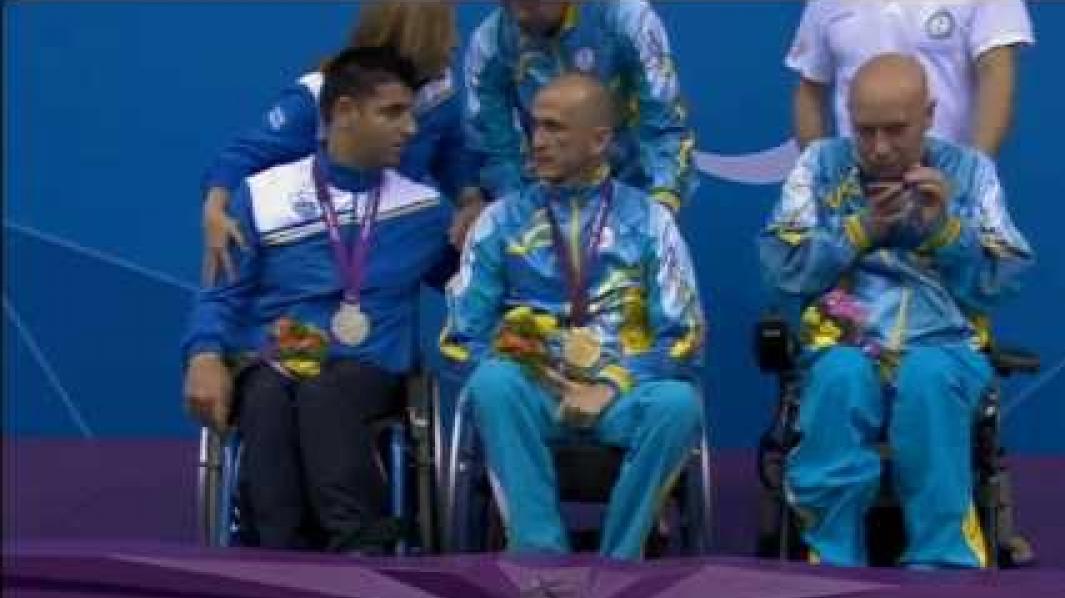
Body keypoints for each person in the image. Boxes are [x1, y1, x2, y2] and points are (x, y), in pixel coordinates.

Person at [758, 54, 1034, 568]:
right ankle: (832, 556)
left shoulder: (970, 174)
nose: (879, 148)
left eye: (895, 130)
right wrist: (858, 231)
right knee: (840, 376)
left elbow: (1004, 280)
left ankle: (943, 559)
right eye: (865, 131)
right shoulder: (818, 167)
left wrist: (945, 232)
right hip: (840, 344)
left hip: (943, 346)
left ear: (929, 115)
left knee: (928, 378)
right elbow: (781, 270)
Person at [182, 47, 458, 554]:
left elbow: (469, 288)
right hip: (275, 362)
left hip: (368, 369)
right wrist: (203, 354)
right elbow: (222, 292)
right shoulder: (261, 196)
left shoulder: (425, 209)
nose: (410, 130)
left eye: (411, 115)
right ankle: (275, 549)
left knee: (323, 391)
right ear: (345, 113)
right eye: (392, 113)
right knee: (264, 397)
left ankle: (356, 542)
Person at [440, 72, 705, 560]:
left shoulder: (651, 222)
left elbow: (684, 337)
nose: (538, 142)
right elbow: (462, 337)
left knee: (678, 404)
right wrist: (528, 368)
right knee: (493, 384)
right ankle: (540, 559)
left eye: (555, 129)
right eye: (535, 127)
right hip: (534, 392)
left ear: (600, 140)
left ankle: (622, 561)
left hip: (621, 393)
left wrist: (612, 384)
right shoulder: (499, 221)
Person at [200, 1, 481, 285]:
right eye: (448, 31)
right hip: (313, 249)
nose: (456, 42)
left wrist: (470, 199)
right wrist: (214, 211)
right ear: (418, 37)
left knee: (486, 270)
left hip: (389, 239)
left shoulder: (439, 95)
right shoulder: (317, 96)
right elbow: (243, 156)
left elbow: (453, 153)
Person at [464, 0, 695, 215]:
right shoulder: (490, 44)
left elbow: (665, 129)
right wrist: (522, 221)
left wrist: (659, 210)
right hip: (544, 203)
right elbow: (498, 156)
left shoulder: (625, 17)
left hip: (635, 191)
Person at [786, 0, 1034, 156]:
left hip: (951, 188)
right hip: (858, 196)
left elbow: (997, 74)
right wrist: (823, 181)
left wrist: (973, 177)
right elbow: (810, 90)